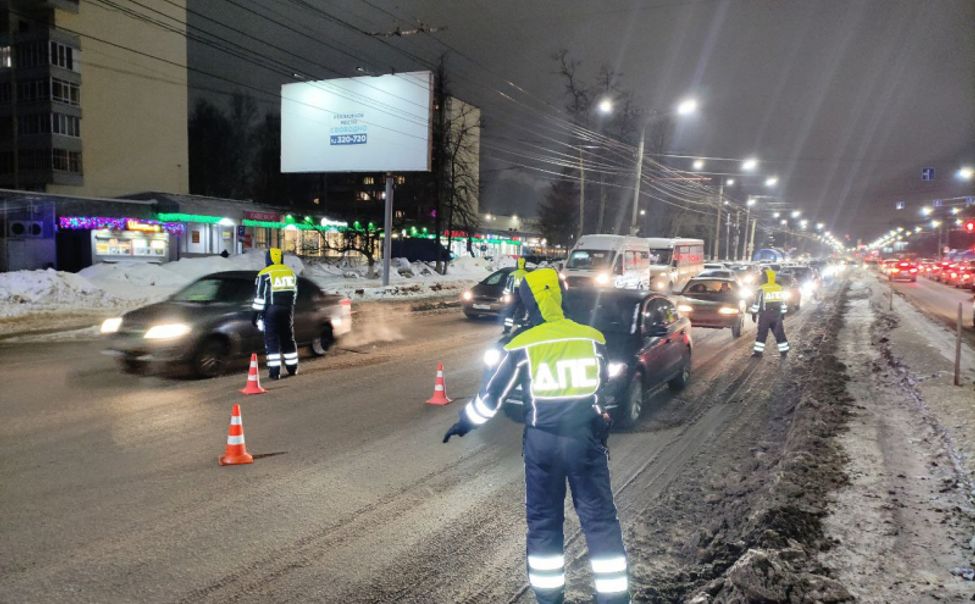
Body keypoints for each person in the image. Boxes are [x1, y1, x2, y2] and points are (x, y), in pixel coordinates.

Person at [443, 268, 630, 604]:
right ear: (560, 296)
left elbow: (491, 397)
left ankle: (549, 598)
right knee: (600, 519)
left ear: (528, 300)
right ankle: (614, 598)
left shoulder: (522, 344)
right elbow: (602, 382)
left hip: (542, 443)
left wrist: (466, 423)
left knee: (544, 523)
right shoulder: (591, 337)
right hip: (585, 440)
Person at [251, 248, 299, 379]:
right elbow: (294, 293)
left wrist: (256, 315)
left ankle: (274, 372)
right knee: (288, 338)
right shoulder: (290, 273)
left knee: (272, 340)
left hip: (271, 311)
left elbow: (260, 297)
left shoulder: (265, 274)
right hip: (288, 310)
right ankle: (292, 368)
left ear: (268, 259)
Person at [750, 267, 789, 358]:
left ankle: (758, 353)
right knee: (779, 333)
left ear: (765, 278)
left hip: (765, 315)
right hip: (777, 315)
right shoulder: (779, 288)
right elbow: (783, 302)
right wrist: (783, 313)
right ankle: (784, 351)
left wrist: (754, 313)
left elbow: (757, 303)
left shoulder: (762, 289)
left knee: (762, 334)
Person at [502, 257, 529, 334]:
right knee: (521, 314)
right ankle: (520, 329)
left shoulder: (512, 274)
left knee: (509, 313)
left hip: (513, 297)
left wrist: (504, 296)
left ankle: (507, 330)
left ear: (516, 264)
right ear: (524, 265)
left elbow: (508, 287)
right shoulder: (528, 275)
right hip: (523, 297)